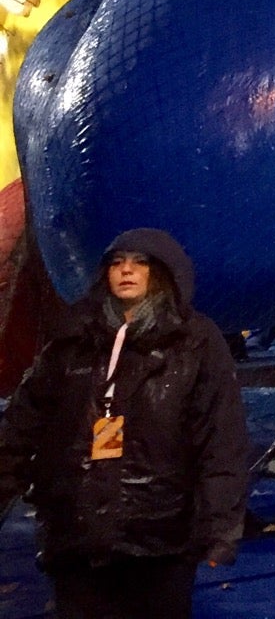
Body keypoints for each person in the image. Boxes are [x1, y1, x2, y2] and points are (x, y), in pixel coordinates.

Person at [0, 228, 249, 618]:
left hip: (159, 535)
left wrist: (220, 529)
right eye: (116, 263)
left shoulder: (195, 343)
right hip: (76, 531)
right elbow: (22, 423)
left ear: (164, 273)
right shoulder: (74, 338)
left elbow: (221, 438)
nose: (126, 271)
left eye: (140, 263)